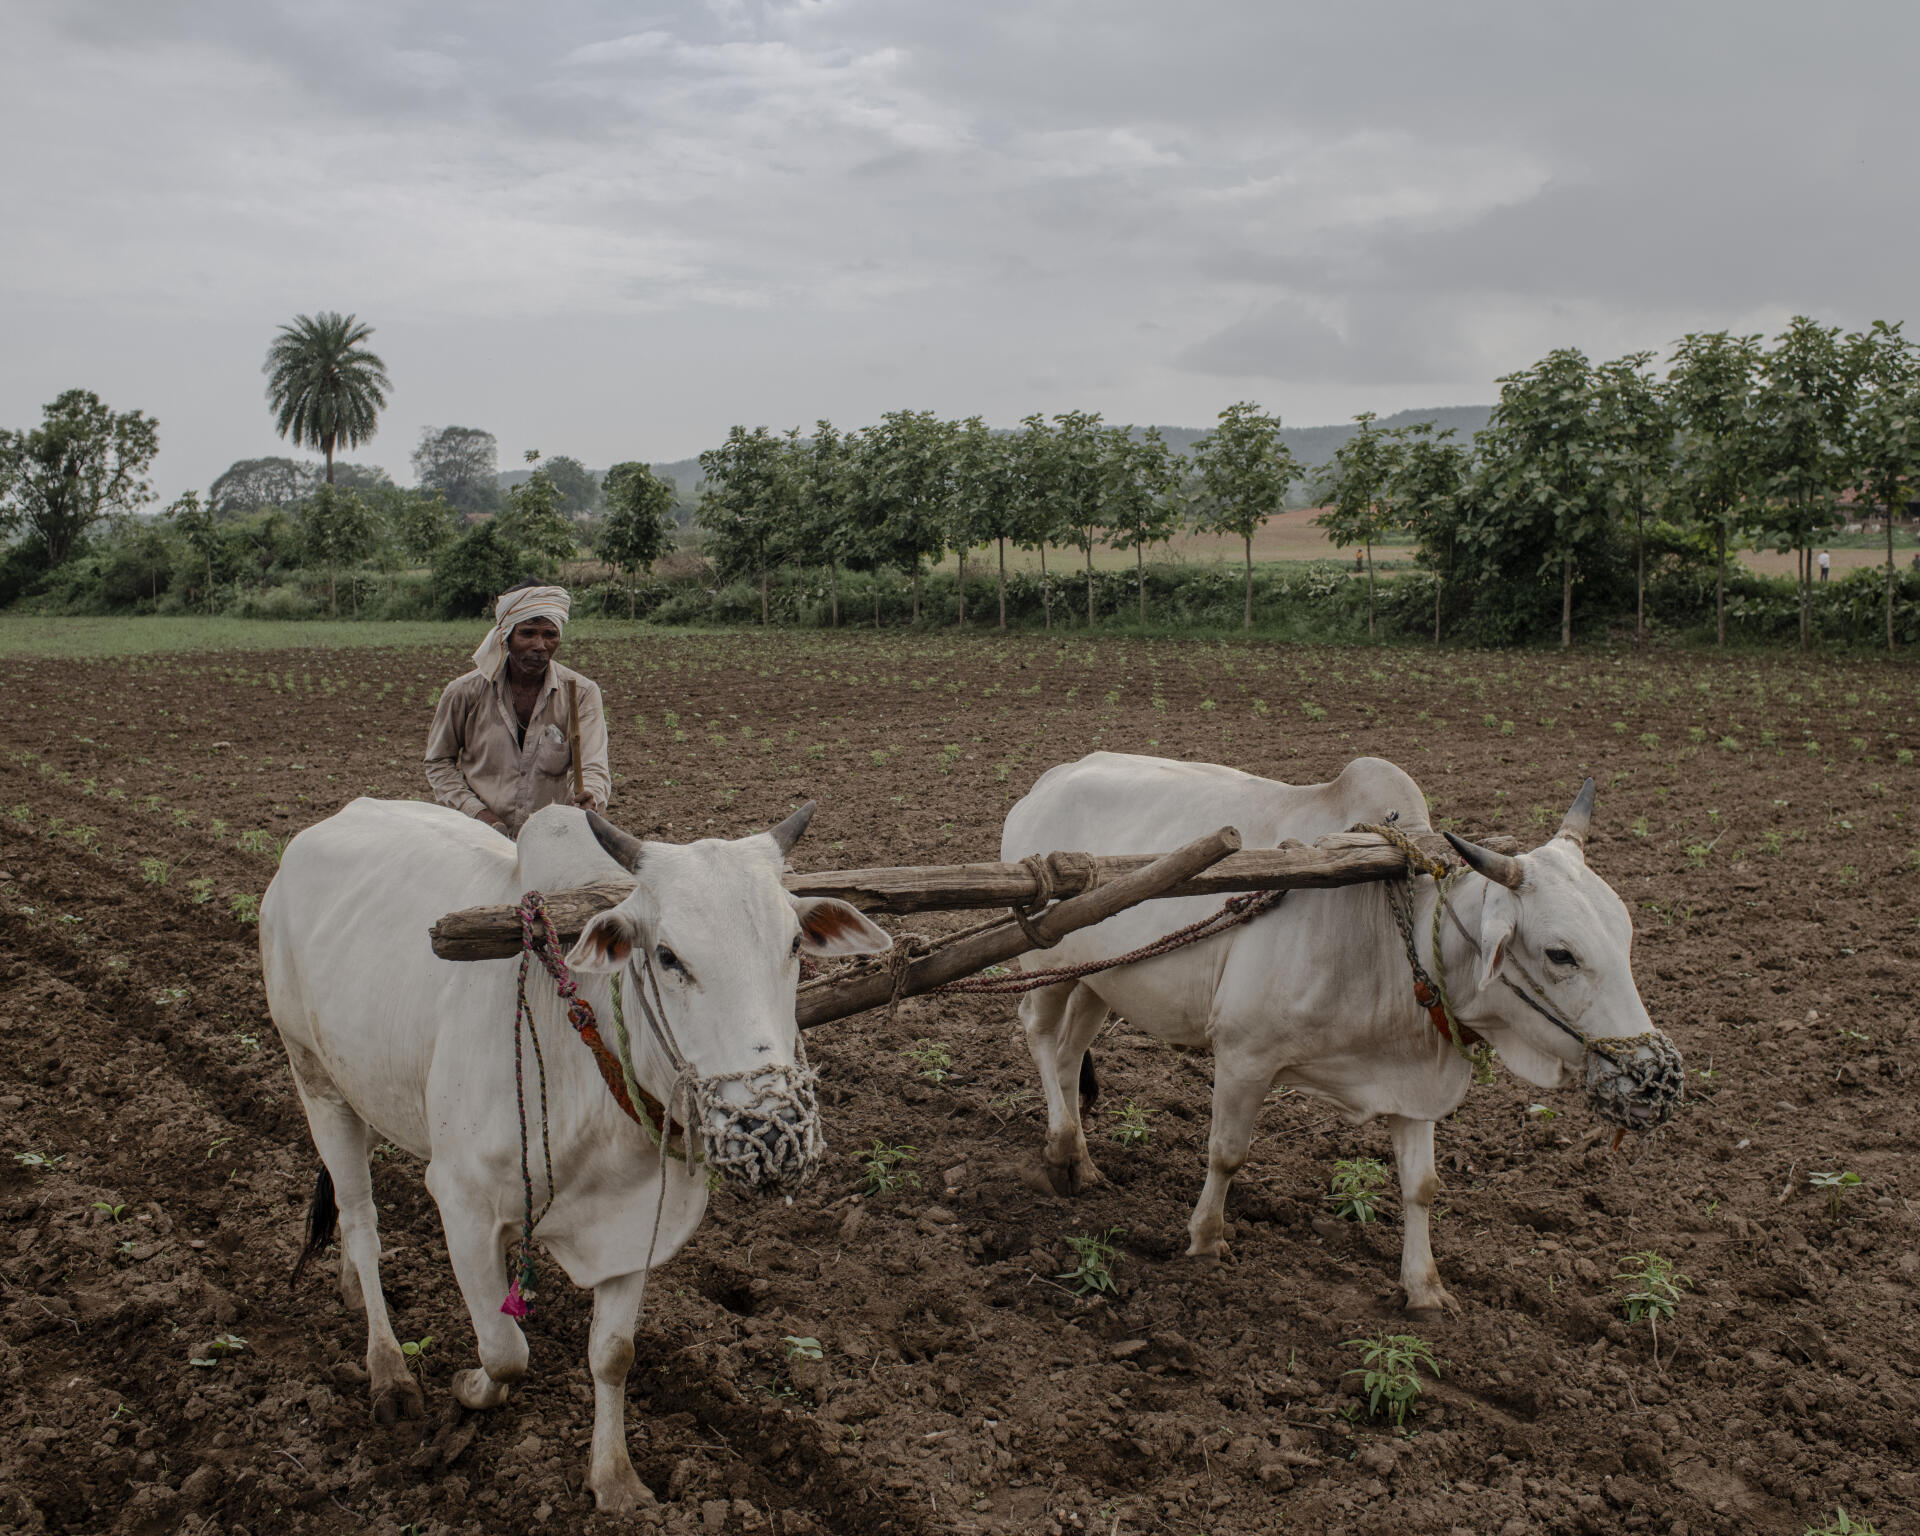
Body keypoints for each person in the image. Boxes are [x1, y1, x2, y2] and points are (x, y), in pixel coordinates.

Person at [425, 582, 611, 837]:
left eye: (549, 634)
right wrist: (479, 814)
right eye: (528, 633)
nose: (540, 645)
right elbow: (439, 761)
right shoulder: (465, 693)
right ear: (506, 635)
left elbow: (593, 767)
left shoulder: (581, 694)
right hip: (476, 837)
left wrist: (591, 796)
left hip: (552, 836)